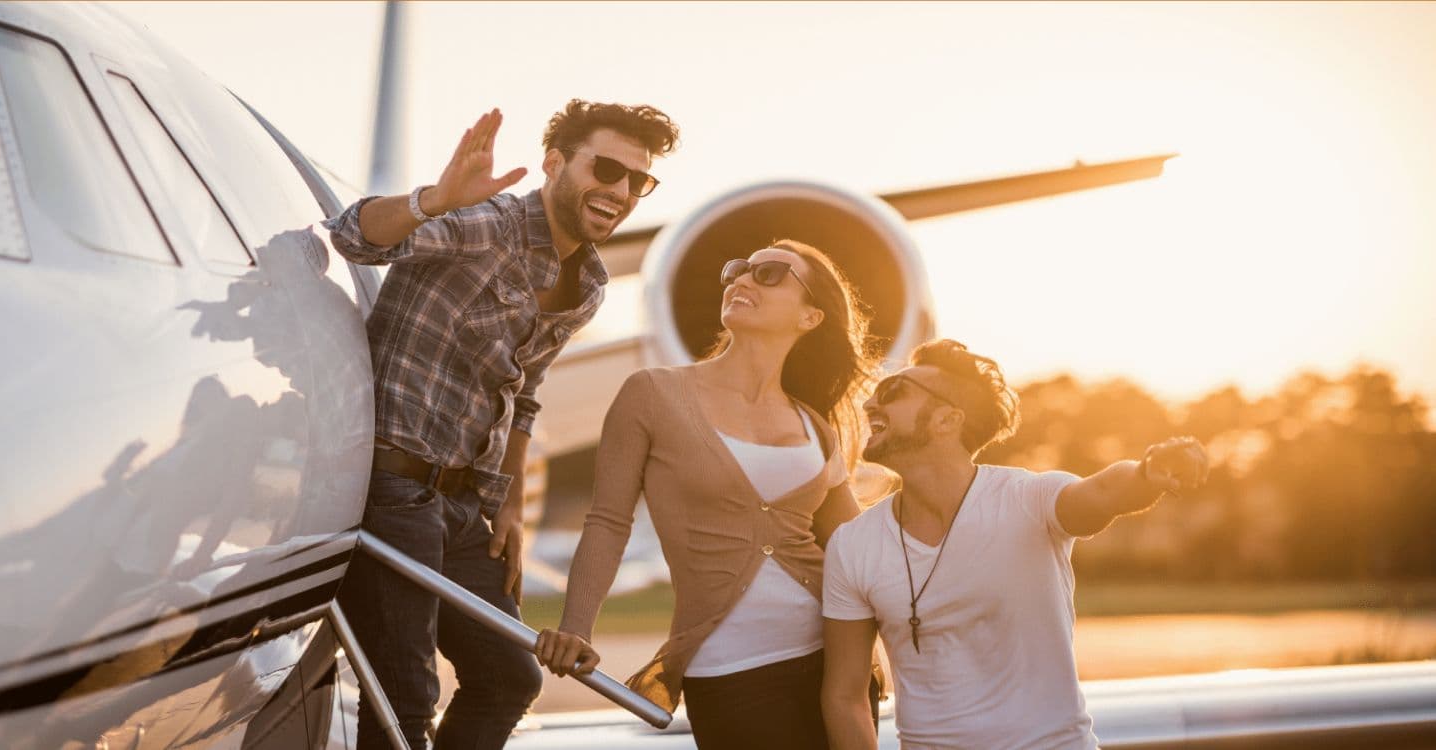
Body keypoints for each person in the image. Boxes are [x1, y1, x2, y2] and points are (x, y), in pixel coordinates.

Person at [324, 100, 679, 750]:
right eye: (606, 168)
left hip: (461, 505)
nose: (622, 190)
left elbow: (526, 391)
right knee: (403, 703)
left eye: (639, 180)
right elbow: (354, 236)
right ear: (553, 162)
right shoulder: (484, 225)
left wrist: (510, 504)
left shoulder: (588, 283)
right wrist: (433, 199)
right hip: (391, 486)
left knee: (508, 677)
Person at [535, 240, 876, 750]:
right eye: (738, 267)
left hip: (838, 670)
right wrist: (576, 627)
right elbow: (608, 521)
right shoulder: (652, 394)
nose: (741, 279)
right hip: (731, 672)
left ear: (810, 316)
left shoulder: (816, 426)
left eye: (769, 274)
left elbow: (861, 548)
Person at [820, 339, 1211, 750]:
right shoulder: (853, 545)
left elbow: (1103, 493)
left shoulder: (1029, 500)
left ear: (946, 420)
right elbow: (845, 697)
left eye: (893, 393)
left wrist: (1148, 473)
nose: (869, 406)